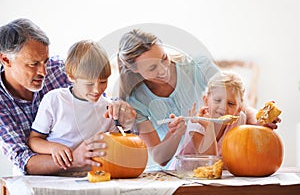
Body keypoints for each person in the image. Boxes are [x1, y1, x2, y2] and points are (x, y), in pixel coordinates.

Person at [0, 18, 135, 175]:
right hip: (37, 179)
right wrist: (74, 159)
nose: (43, 72)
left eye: (45, 61)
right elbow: (25, 161)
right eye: (33, 64)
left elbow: (96, 101)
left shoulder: (59, 69)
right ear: (5, 59)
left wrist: (121, 113)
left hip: (86, 174)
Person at [117, 29, 221, 170]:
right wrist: (175, 134)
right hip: (175, 170)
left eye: (164, 58)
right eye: (152, 67)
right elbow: (160, 158)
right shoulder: (136, 100)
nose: (163, 70)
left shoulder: (198, 66)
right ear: (134, 69)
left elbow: (235, 100)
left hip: (215, 158)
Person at [28, 40, 135, 170]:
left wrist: (127, 125)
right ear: (71, 77)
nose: (97, 90)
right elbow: (34, 140)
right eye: (89, 84)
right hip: (57, 174)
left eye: (103, 82)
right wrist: (53, 148)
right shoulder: (55, 99)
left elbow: (118, 145)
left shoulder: (108, 108)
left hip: (91, 176)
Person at [182, 71, 247, 156]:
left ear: (239, 108)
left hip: (222, 168)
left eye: (230, 103)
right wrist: (209, 127)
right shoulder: (197, 122)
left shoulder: (239, 120)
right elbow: (208, 160)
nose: (223, 107)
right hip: (188, 168)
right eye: (217, 100)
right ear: (206, 100)